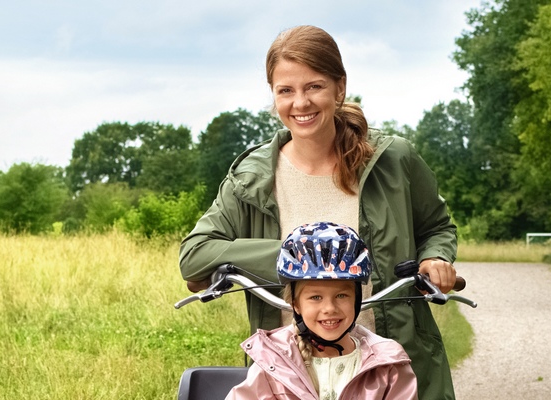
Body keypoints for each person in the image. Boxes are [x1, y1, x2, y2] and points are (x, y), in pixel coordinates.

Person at [179, 25, 458, 399]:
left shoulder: (394, 160)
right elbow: (195, 256)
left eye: (314, 87)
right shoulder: (251, 176)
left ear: (339, 88)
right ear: (274, 96)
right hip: (288, 379)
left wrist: (435, 258)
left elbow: (437, 227)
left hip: (388, 368)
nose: (301, 103)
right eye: (286, 91)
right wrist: (293, 256)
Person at [226, 222, 418, 400]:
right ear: (295, 303)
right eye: (315, 297)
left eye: (342, 296)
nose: (329, 309)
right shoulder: (274, 360)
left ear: (357, 299)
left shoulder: (387, 364)